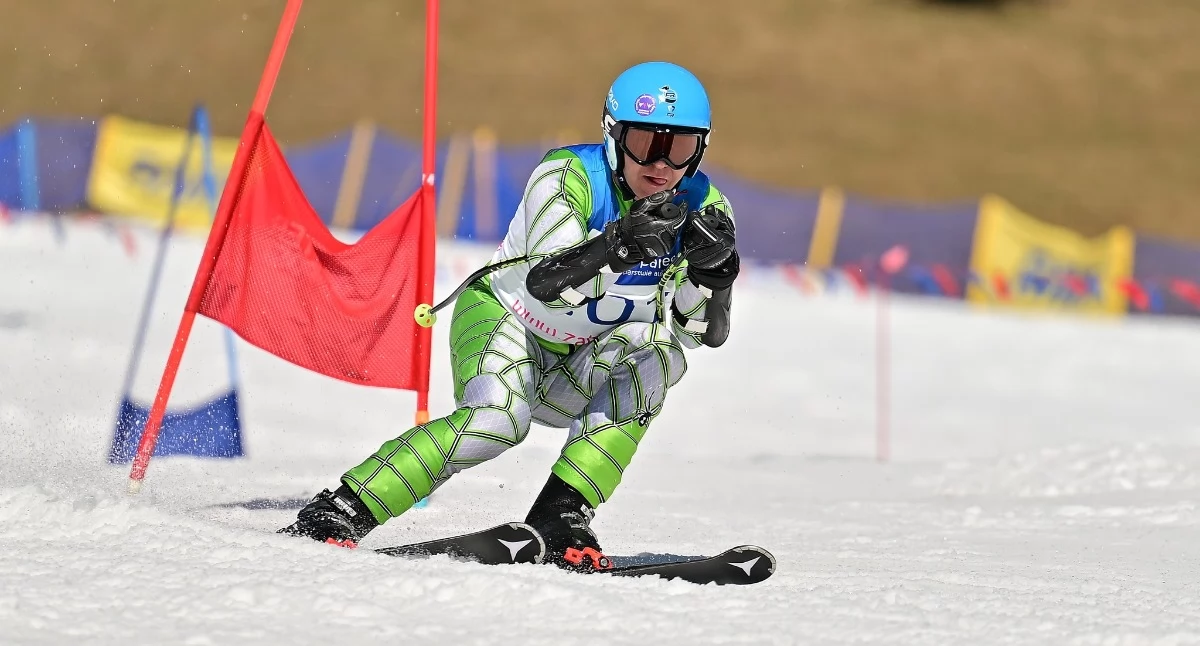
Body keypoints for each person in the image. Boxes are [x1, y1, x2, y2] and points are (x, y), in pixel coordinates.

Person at [279, 61, 740, 571]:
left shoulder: (706, 206)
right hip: (510, 320)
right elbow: (546, 284)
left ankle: (561, 515)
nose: (662, 165)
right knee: (497, 422)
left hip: (580, 358)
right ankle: (343, 508)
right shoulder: (568, 176)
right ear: (612, 135)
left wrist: (715, 279)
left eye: (680, 148)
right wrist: (619, 244)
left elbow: (701, 333)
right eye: (646, 144)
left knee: (657, 358)